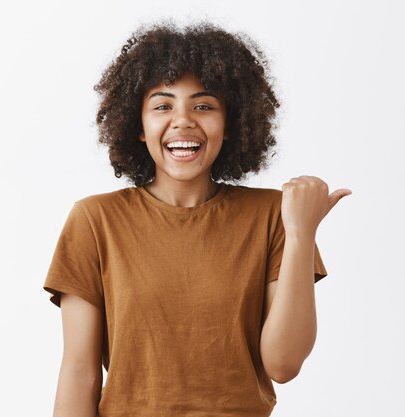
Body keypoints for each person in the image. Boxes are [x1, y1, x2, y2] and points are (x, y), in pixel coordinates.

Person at [43, 20, 352, 417]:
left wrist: (301, 232)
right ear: (138, 126)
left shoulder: (273, 216)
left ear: (230, 124)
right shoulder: (95, 220)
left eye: (204, 106)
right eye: (162, 105)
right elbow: (79, 374)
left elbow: (283, 364)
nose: (184, 120)